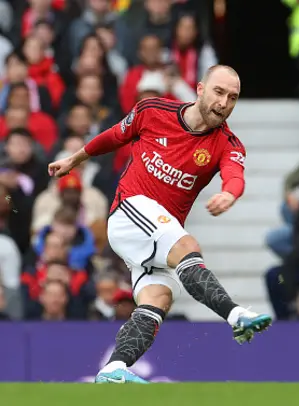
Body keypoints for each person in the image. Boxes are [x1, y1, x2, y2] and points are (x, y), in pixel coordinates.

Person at [48, 65, 272, 384]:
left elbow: (236, 176)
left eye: (232, 97)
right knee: (187, 246)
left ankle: (113, 368)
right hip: (129, 211)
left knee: (158, 299)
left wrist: (229, 194)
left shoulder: (228, 143)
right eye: (219, 92)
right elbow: (115, 135)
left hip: (157, 234)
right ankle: (236, 315)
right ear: (199, 89)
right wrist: (75, 159)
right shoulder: (153, 111)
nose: (224, 103)